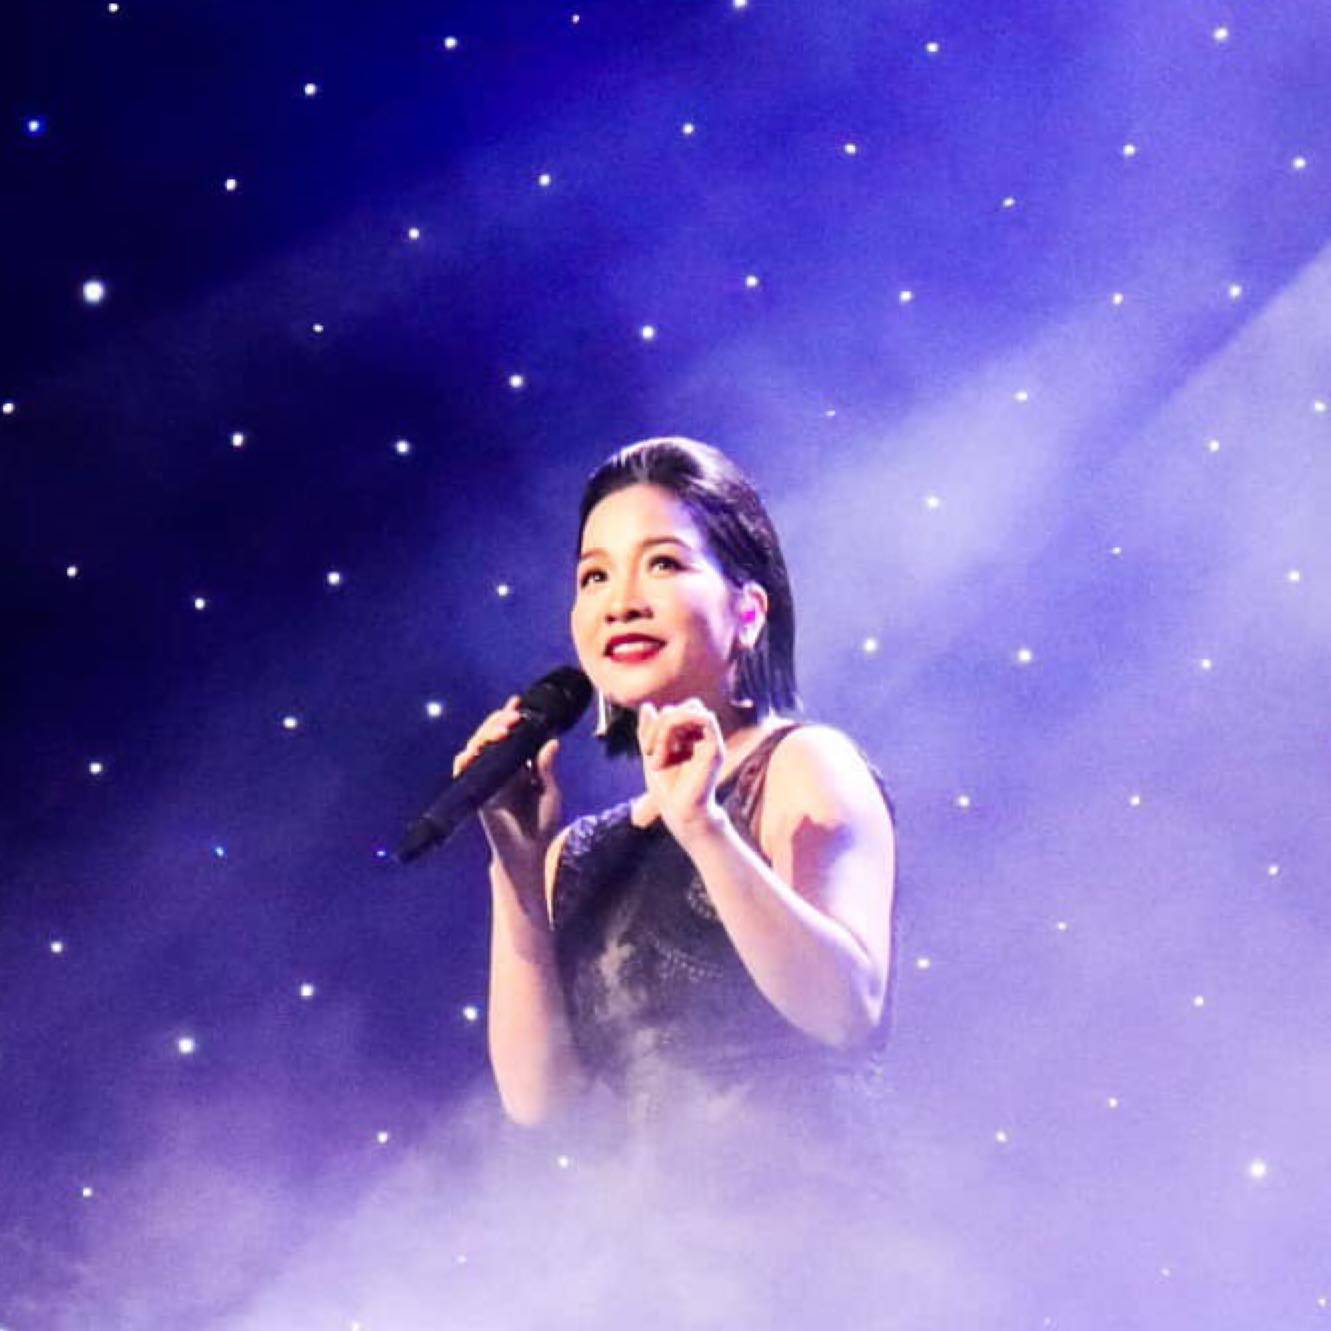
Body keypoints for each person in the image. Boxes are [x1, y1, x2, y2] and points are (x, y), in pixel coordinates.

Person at [452, 436, 899, 1210]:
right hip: (658, 1251)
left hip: (817, 1232)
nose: (620, 601)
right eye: (594, 575)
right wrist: (517, 870)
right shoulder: (579, 851)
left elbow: (844, 1008)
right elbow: (537, 1098)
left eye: (662, 563)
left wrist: (704, 828)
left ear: (747, 611)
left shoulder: (803, 764)